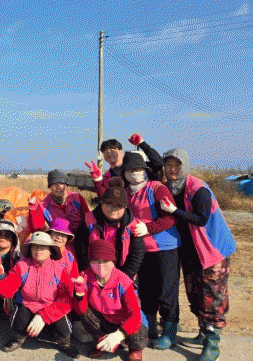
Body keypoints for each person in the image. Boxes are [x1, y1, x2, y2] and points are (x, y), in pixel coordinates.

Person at [162, 149, 236, 361]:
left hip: (212, 250)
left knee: (212, 298)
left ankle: (212, 345)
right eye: (169, 165)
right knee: (195, 294)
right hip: (191, 251)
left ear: (184, 166)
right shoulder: (172, 187)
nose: (172, 169)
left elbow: (201, 218)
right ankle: (203, 334)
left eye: (177, 165)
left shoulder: (198, 189)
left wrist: (174, 211)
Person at [121, 151, 181, 350]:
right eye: (129, 170)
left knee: (166, 291)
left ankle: (170, 333)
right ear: (124, 173)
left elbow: (171, 217)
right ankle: (150, 328)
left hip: (165, 247)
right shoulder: (126, 192)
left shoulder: (157, 188)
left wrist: (149, 228)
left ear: (144, 170)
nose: (134, 173)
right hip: (141, 249)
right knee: (146, 291)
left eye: (138, 169)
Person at [0, 231, 78, 358]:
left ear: (50, 250)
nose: (38, 249)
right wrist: (0, 277)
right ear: (30, 249)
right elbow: (7, 292)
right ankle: (18, 339)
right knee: (19, 322)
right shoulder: (21, 267)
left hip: (51, 307)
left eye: (43, 246)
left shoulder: (60, 271)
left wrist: (43, 316)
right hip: (27, 305)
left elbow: (65, 301)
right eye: (35, 246)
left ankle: (64, 343)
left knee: (64, 328)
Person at [73, 239, 148, 361]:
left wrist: (118, 335)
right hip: (106, 319)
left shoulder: (123, 281)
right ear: (90, 261)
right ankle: (102, 341)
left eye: (105, 261)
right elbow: (80, 310)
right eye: (96, 261)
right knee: (85, 315)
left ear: (113, 262)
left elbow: (135, 315)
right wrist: (79, 293)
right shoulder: (86, 277)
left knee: (137, 332)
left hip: (127, 321)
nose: (100, 265)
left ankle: (135, 349)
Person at [75, 177, 145, 279]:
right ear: (102, 204)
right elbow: (81, 249)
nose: (113, 209)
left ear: (125, 207)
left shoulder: (133, 225)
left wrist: (123, 278)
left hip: (123, 274)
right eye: (109, 204)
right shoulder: (88, 221)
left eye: (118, 206)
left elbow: (136, 255)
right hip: (93, 274)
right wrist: (90, 274)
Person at [85, 134, 163, 198]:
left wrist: (142, 144)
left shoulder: (136, 168)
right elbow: (104, 198)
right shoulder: (106, 177)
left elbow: (158, 164)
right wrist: (98, 180)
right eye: (105, 151)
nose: (109, 153)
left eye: (112, 149)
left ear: (121, 151)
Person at [27, 169, 90, 236]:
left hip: (80, 236)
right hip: (58, 238)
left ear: (66, 185)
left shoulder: (77, 198)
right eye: (54, 184)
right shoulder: (44, 205)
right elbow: (36, 230)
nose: (58, 187)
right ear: (50, 187)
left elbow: (88, 219)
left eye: (61, 183)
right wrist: (33, 209)